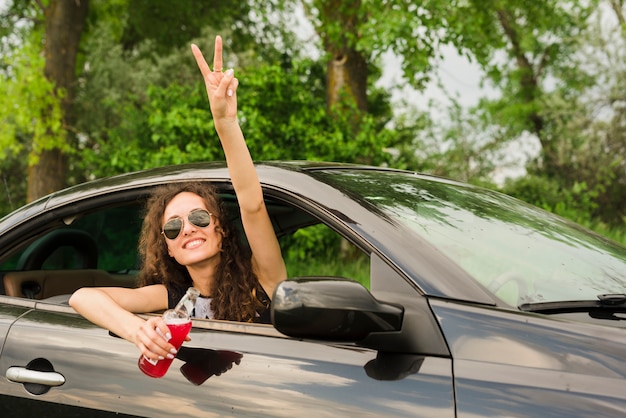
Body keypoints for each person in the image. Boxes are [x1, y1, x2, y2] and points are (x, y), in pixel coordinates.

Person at [69, 35, 287, 365]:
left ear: (221, 228)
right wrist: (136, 331)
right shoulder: (172, 297)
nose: (186, 229)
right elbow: (82, 297)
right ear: (169, 248)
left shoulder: (263, 282)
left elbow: (252, 204)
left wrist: (225, 123)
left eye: (199, 218)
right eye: (173, 227)